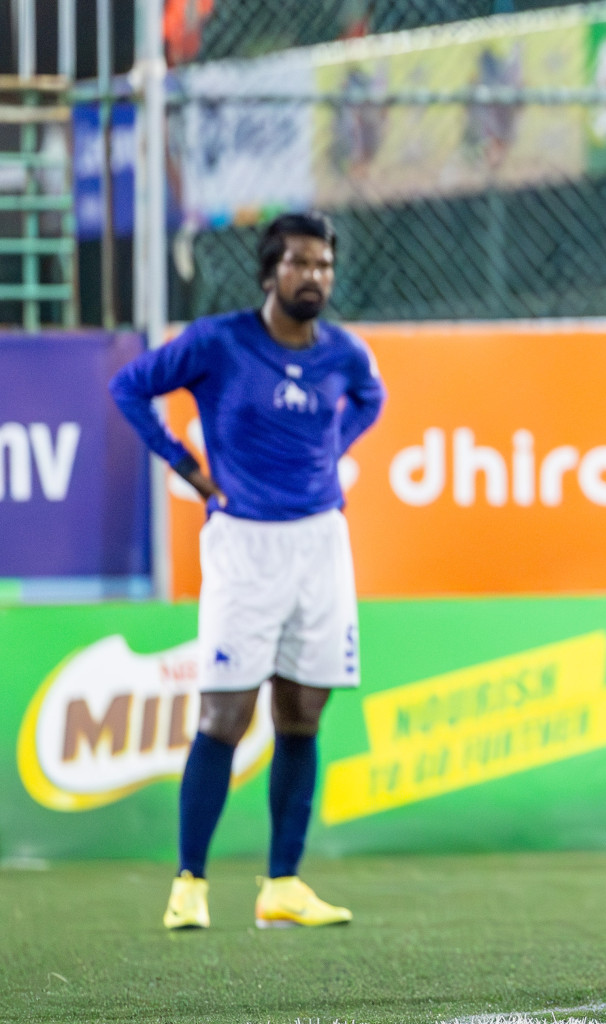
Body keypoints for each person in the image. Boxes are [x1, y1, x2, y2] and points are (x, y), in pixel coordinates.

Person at [110, 211, 385, 930]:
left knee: (304, 712)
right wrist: (189, 470)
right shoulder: (219, 342)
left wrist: (329, 450)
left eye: (323, 264)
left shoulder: (345, 355)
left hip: (321, 542)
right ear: (269, 273)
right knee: (225, 715)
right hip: (244, 545)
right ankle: (189, 885)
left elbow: (370, 401)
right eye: (298, 262)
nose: (313, 276)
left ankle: (283, 886)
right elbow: (129, 388)